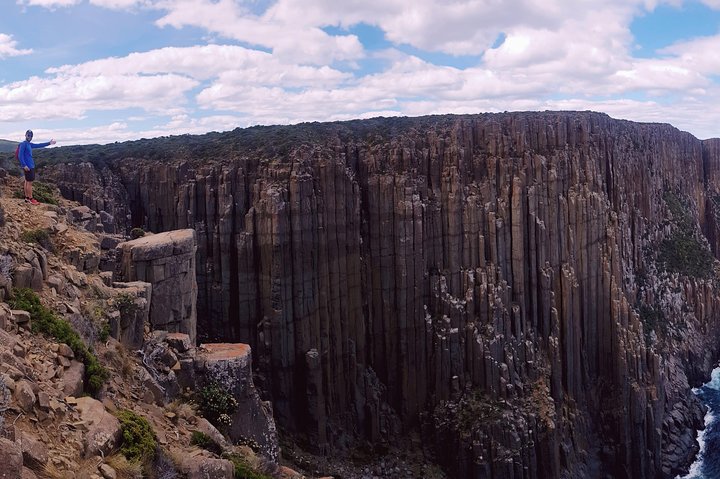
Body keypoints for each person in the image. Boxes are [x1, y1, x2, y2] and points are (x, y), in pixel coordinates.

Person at [18, 130, 56, 205]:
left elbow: (39, 145)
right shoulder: (23, 144)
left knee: (26, 181)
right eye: (28, 135)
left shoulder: (29, 144)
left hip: (29, 166)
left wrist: (49, 143)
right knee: (29, 183)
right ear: (25, 135)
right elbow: (20, 155)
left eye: (31, 136)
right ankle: (30, 198)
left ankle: (27, 198)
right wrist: (24, 165)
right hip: (28, 166)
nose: (30, 137)